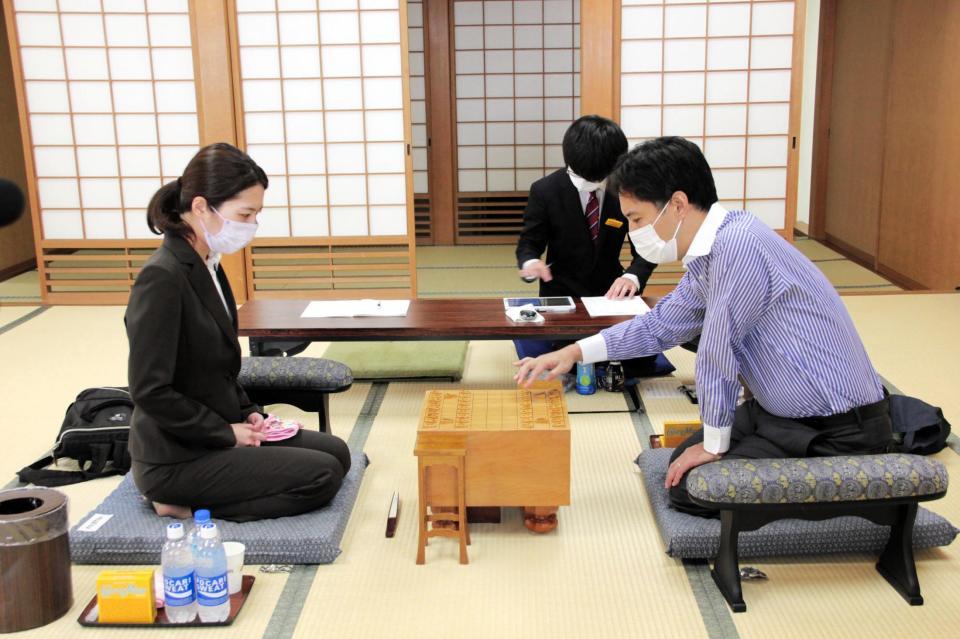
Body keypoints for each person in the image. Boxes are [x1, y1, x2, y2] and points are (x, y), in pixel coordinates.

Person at [514, 136, 894, 517]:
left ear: (677, 204)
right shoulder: (714, 252)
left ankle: (835, 492)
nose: (634, 233)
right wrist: (574, 352)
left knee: (691, 490)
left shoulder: (739, 246)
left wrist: (714, 447)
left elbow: (717, 352)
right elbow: (659, 325)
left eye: (637, 219)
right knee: (681, 467)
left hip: (835, 430)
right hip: (777, 415)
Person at [125, 143, 351, 522]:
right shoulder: (162, 277)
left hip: (217, 428)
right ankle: (183, 505)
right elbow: (150, 390)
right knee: (322, 477)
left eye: (255, 214)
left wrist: (250, 415)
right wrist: (225, 433)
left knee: (337, 453)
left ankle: (212, 480)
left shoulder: (207, 263)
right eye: (244, 214)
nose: (250, 226)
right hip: (178, 456)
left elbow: (218, 368)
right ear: (200, 207)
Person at [514, 115, 668, 377]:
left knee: (639, 359)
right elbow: (530, 242)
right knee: (567, 358)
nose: (592, 183)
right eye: (583, 177)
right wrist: (530, 263)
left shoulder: (628, 190)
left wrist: (633, 275)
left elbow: (647, 246)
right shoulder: (545, 190)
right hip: (561, 296)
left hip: (612, 294)